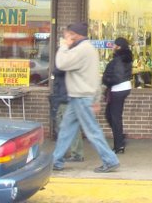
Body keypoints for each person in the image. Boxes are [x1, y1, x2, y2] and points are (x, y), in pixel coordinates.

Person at [52, 22, 120, 173]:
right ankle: (56, 160)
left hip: (81, 96)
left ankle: (110, 160)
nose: (66, 37)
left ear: (74, 35)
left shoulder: (82, 50)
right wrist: (96, 98)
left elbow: (62, 63)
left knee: (92, 131)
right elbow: (96, 77)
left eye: (67, 35)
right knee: (66, 129)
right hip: (80, 96)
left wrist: (64, 46)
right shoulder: (88, 48)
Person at [102, 37, 133, 154]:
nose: (113, 47)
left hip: (118, 89)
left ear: (119, 46)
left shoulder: (119, 59)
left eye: (115, 45)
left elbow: (117, 77)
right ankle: (120, 138)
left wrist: (106, 80)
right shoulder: (125, 58)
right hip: (123, 88)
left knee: (114, 117)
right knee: (110, 115)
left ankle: (119, 145)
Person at [49, 68, 84, 162]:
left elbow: (57, 71)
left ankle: (75, 154)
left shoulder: (66, 65)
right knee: (65, 128)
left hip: (65, 99)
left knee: (68, 128)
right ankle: (66, 154)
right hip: (64, 98)